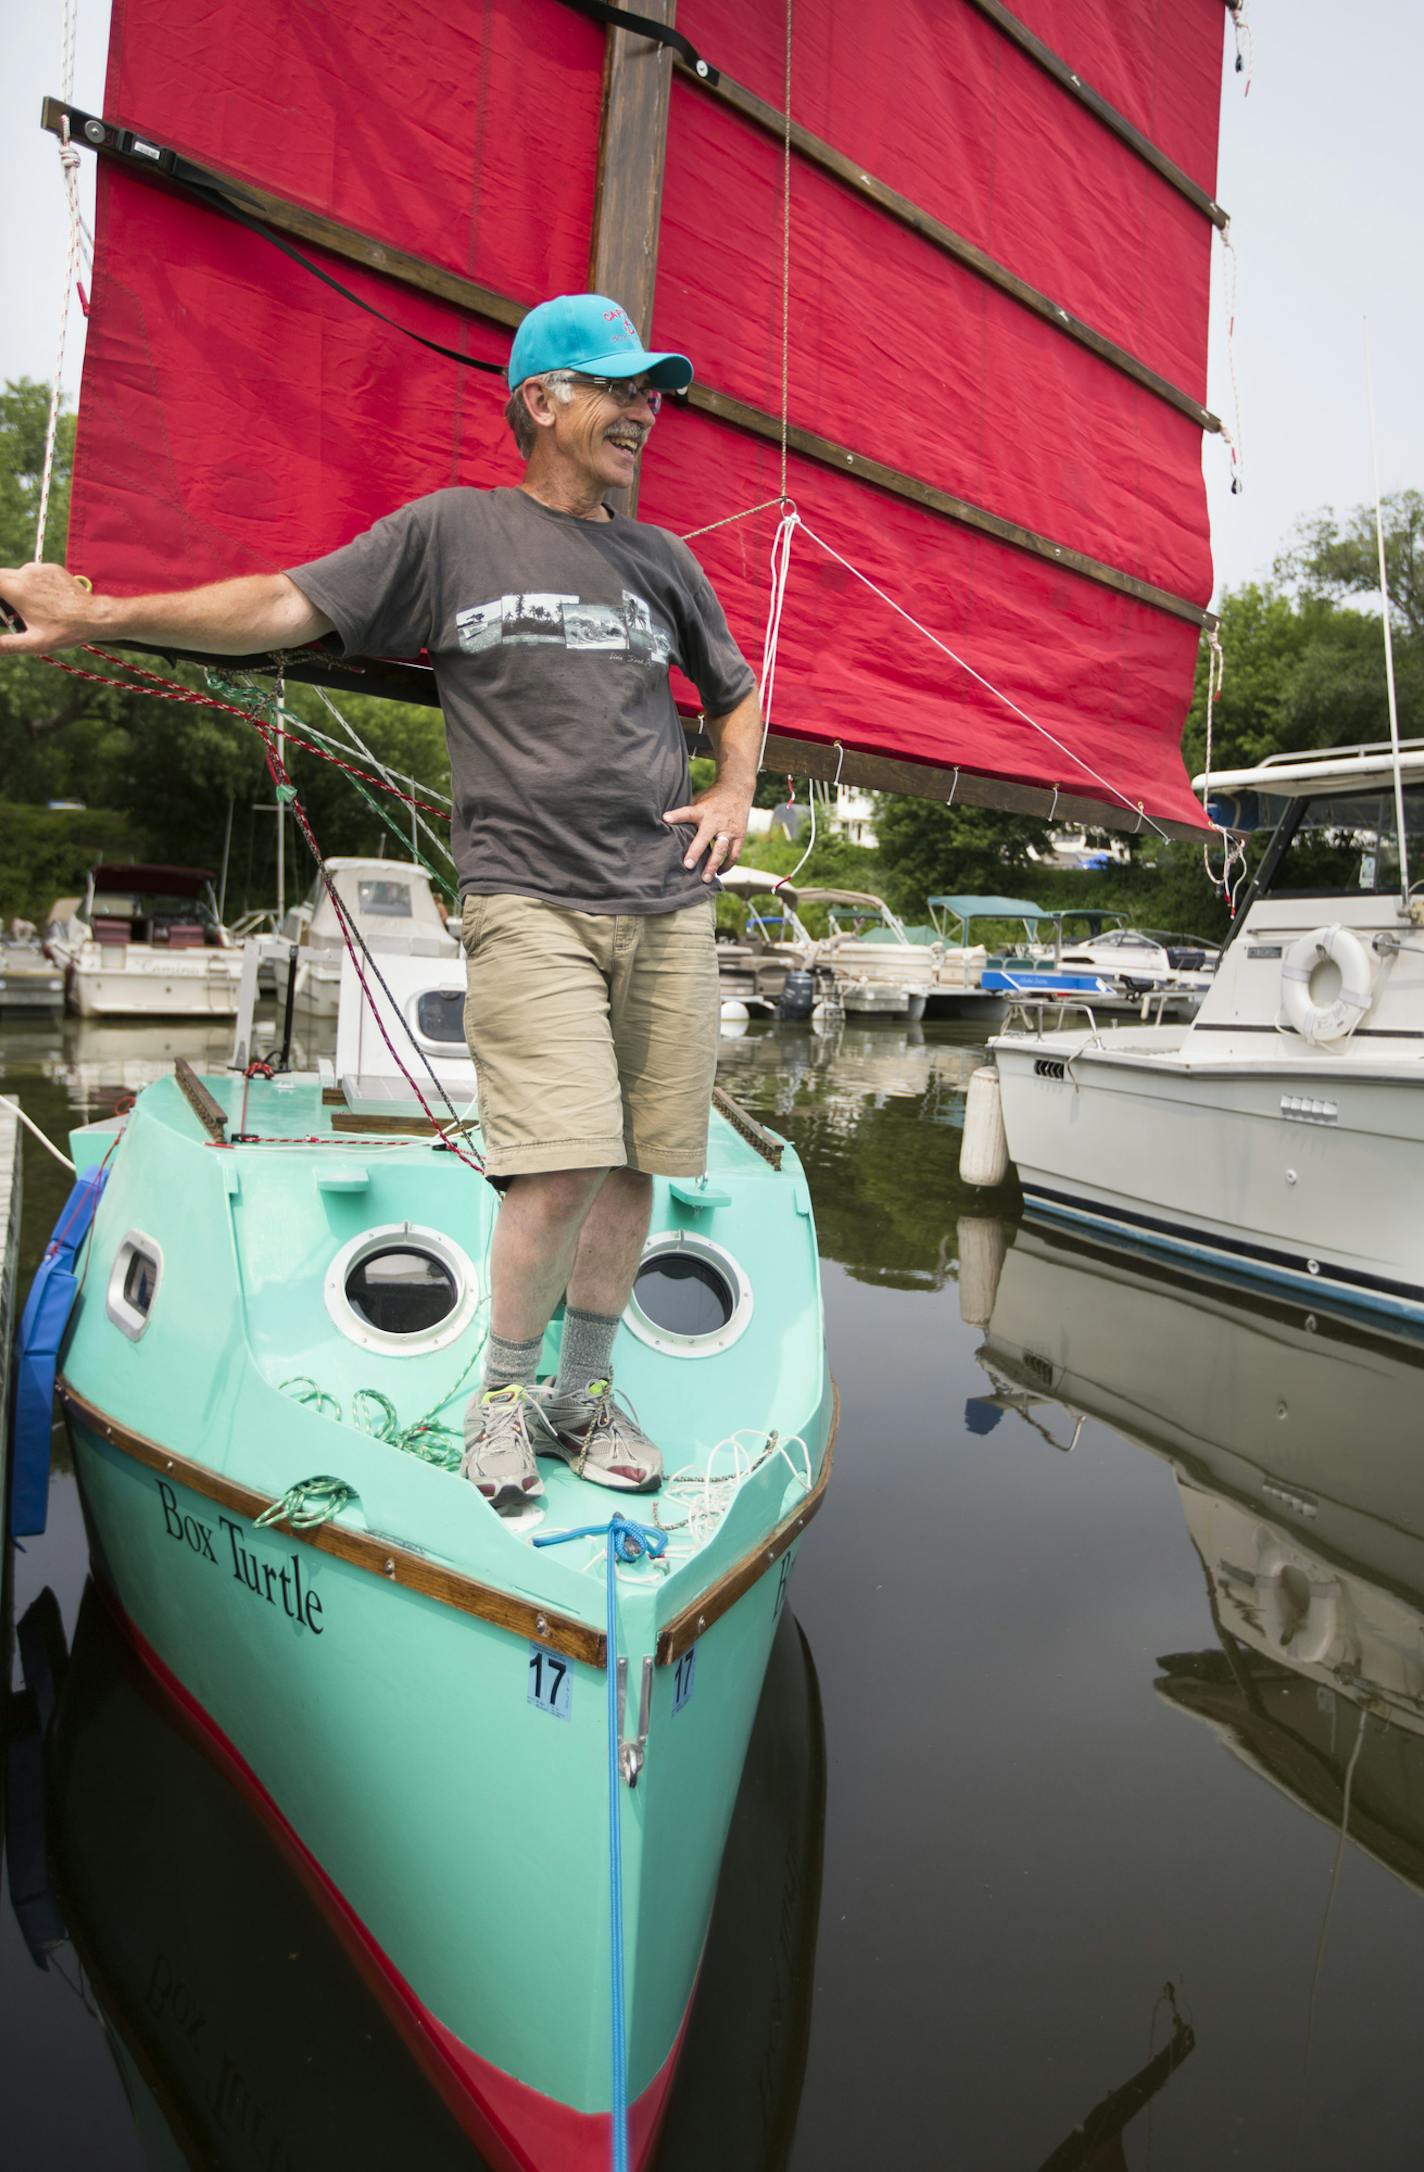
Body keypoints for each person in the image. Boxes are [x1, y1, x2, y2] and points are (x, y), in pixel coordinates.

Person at [0, 292, 761, 1512]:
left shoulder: (662, 561)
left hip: (667, 903)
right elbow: (283, 604)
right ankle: (503, 1402)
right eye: (619, 390)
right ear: (542, 400)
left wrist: (731, 787)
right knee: (561, 1167)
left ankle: (584, 1393)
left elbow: (733, 687)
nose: (644, 412)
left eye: (652, 392)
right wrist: (100, 611)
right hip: (533, 900)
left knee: (637, 1171)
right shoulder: (452, 533)